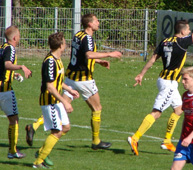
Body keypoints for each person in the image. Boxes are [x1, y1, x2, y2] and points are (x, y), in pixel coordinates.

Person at [127, 1, 193, 156]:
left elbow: (152, 59)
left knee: (178, 109)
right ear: (182, 32)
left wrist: (141, 74)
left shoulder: (165, 41)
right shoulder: (182, 43)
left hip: (163, 79)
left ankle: (167, 141)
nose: (190, 32)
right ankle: (135, 138)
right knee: (157, 112)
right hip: (169, 83)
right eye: (188, 30)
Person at [26, 14, 122, 151]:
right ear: (90, 24)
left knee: (61, 107)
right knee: (97, 108)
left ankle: (34, 126)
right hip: (84, 80)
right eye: (96, 21)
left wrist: (99, 61)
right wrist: (110, 54)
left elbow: (81, 55)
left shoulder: (78, 35)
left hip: (70, 78)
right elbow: (88, 54)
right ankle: (96, 141)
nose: (98, 23)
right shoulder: (88, 38)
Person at [33, 32, 79, 168]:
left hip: (55, 100)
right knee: (57, 131)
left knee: (66, 127)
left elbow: (57, 82)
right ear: (60, 45)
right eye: (64, 42)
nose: (66, 44)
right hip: (49, 101)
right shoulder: (50, 62)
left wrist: (69, 89)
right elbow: (50, 87)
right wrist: (65, 101)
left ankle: (41, 153)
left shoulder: (58, 59)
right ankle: (38, 162)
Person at [0, 25, 32, 159]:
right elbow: (7, 64)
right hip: (4, 91)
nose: (19, 37)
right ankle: (12, 151)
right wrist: (21, 67)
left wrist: (13, 75)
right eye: (18, 35)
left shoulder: (1, 48)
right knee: (14, 120)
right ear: (14, 37)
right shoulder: (11, 48)